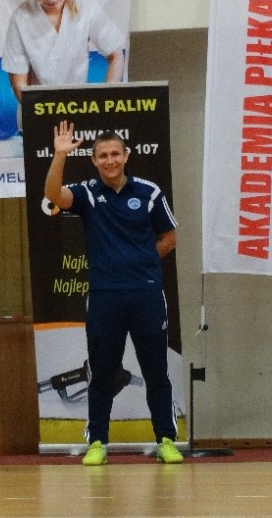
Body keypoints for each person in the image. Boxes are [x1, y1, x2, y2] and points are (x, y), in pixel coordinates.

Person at [43, 120, 183, 466]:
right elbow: (53, 196)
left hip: (146, 295)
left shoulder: (149, 192)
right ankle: (98, 442)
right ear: (94, 161)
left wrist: (140, 262)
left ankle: (166, 440)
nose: (110, 161)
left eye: (115, 154)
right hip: (105, 297)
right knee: (102, 373)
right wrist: (60, 155)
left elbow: (169, 238)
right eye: (103, 156)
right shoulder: (88, 193)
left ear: (126, 156)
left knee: (156, 371)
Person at [2, 0, 126, 104]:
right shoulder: (21, 18)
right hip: (38, 111)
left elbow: (116, 55)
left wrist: (107, 101)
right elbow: (19, 82)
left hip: (79, 109)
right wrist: (39, 112)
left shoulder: (86, 6)